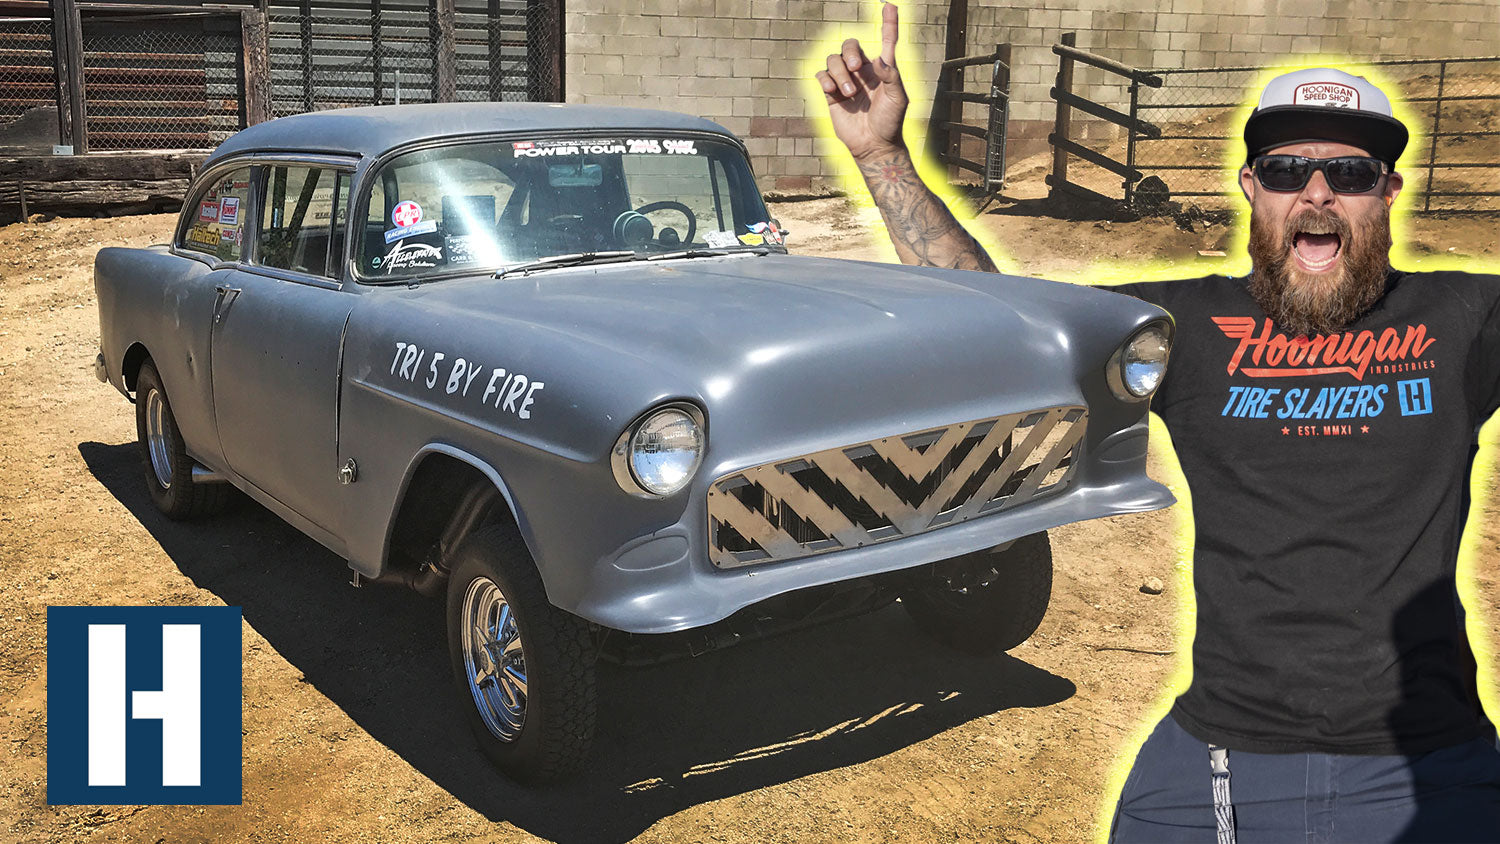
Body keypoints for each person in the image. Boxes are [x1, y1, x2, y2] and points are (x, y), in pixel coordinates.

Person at [817, 4, 1500, 841]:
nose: (1317, 192)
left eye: (1351, 175)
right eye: (1286, 170)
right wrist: (883, 156)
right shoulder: (1183, 327)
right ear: (1252, 188)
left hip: (1431, 758)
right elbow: (996, 319)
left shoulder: (1463, 315)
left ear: (1386, 193)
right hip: (1222, 754)